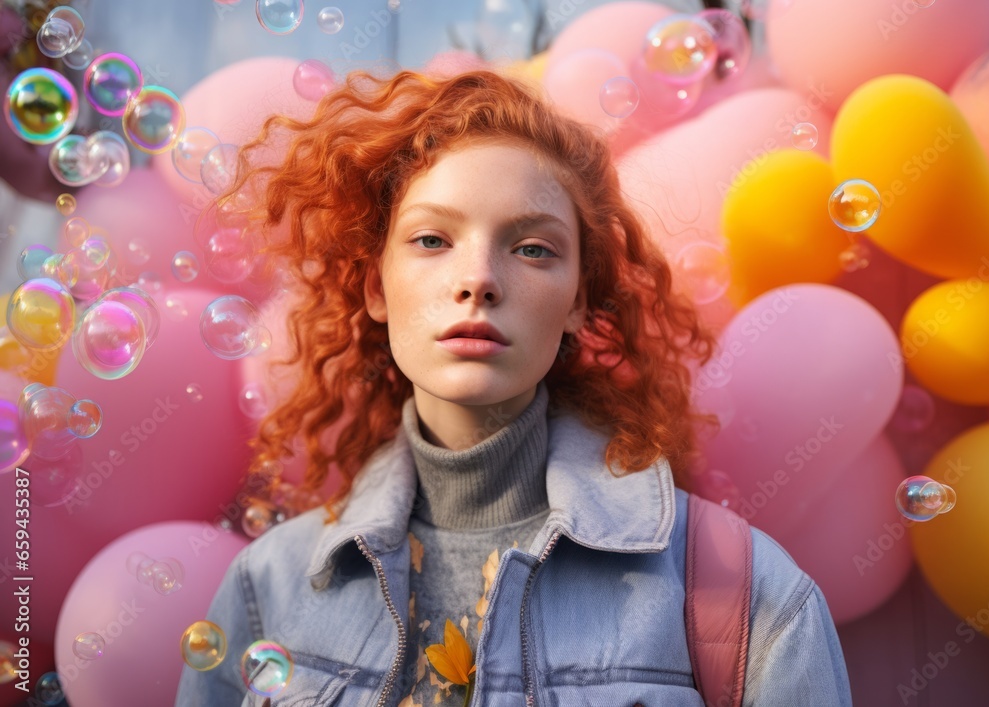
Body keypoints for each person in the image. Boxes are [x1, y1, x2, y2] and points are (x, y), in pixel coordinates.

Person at [175, 67, 852, 706]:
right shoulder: (266, 592)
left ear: (581, 301)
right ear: (376, 286)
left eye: (532, 248)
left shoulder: (745, 594)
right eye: (433, 239)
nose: (480, 278)